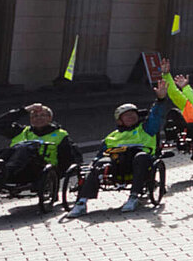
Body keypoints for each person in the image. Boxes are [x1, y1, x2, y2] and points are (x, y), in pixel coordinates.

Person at [67, 83, 170, 217]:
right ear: (119, 120)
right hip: (116, 163)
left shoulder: (146, 129)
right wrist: (96, 163)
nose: (131, 117)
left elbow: (156, 116)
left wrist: (160, 100)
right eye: (126, 115)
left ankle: (133, 197)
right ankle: (81, 203)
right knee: (99, 164)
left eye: (133, 114)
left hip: (139, 161)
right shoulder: (112, 136)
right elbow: (100, 154)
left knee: (141, 157)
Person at [0, 102, 79, 196]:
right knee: (6, 152)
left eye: (42, 115)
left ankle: (6, 171)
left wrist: (55, 179)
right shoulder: (21, 131)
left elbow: (68, 158)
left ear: (50, 118)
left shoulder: (60, 135)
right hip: (17, 171)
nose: (38, 118)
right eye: (35, 116)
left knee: (27, 147)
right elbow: (0, 124)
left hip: (39, 169)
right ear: (31, 120)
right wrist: (26, 110)